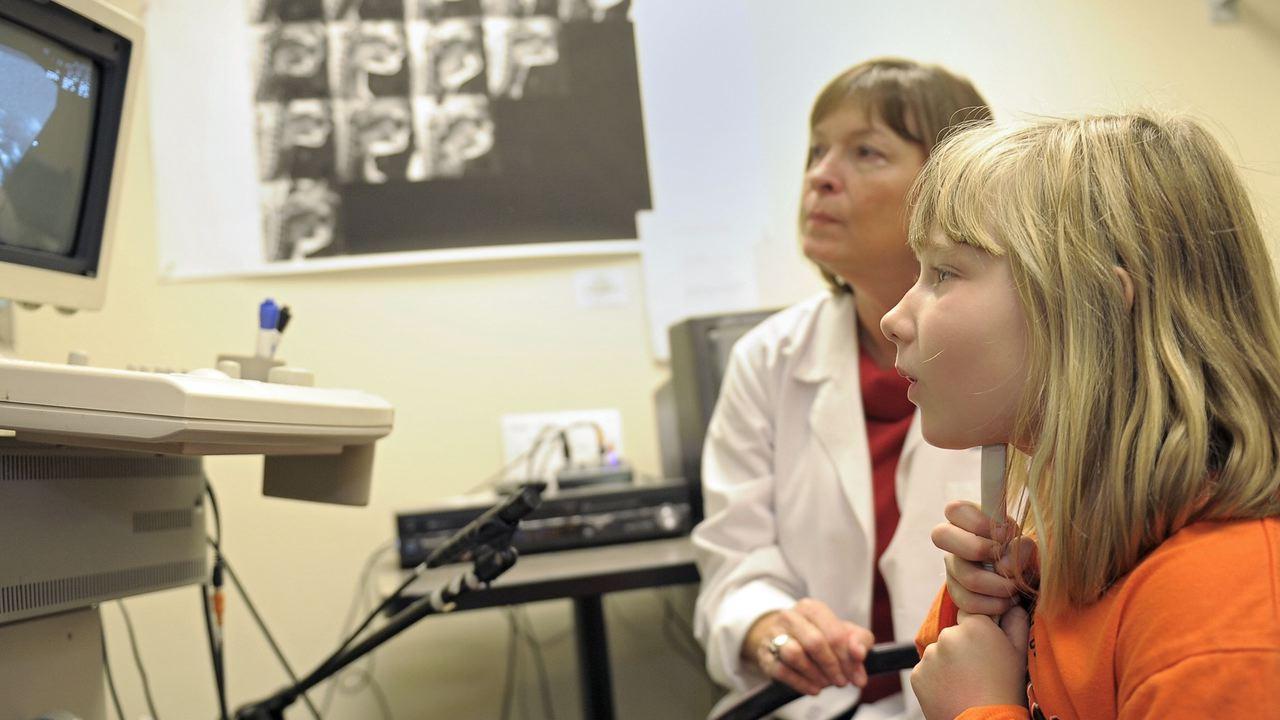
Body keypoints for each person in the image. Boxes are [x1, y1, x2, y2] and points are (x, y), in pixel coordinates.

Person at [881, 113, 1280, 719]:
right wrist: (983, 614)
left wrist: (981, 711)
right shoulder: (1074, 557)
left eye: (945, 273)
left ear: (1095, 311)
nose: (894, 319)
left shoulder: (1223, 614)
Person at [691, 58, 992, 720]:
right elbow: (733, 563)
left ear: (951, 185)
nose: (820, 175)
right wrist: (771, 629)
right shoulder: (767, 361)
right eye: (817, 149)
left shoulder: (1020, 359)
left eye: (866, 152)